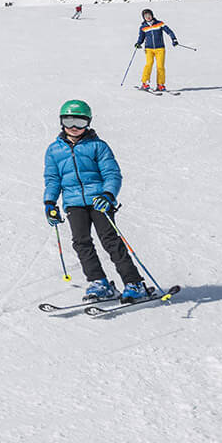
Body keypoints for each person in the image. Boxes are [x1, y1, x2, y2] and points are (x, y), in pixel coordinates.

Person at [43, 100, 147, 302]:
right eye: (69, 120)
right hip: (73, 203)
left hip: (99, 200)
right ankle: (99, 282)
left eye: (79, 122)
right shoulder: (54, 150)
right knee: (81, 243)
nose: (73, 127)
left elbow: (112, 173)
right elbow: (52, 179)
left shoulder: (98, 146)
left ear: (88, 123)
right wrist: (49, 202)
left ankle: (134, 282)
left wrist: (108, 195)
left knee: (111, 241)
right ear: (61, 121)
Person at [133, 9, 178, 93]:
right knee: (149, 64)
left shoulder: (159, 24)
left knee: (160, 66)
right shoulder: (143, 27)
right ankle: (144, 83)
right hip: (149, 49)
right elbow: (141, 37)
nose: (148, 17)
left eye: (149, 15)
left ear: (152, 15)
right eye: (146, 16)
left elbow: (169, 31)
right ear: (144, 18)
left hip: (160, 48)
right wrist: (138, 43)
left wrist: (174, 39)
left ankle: (160, 84)